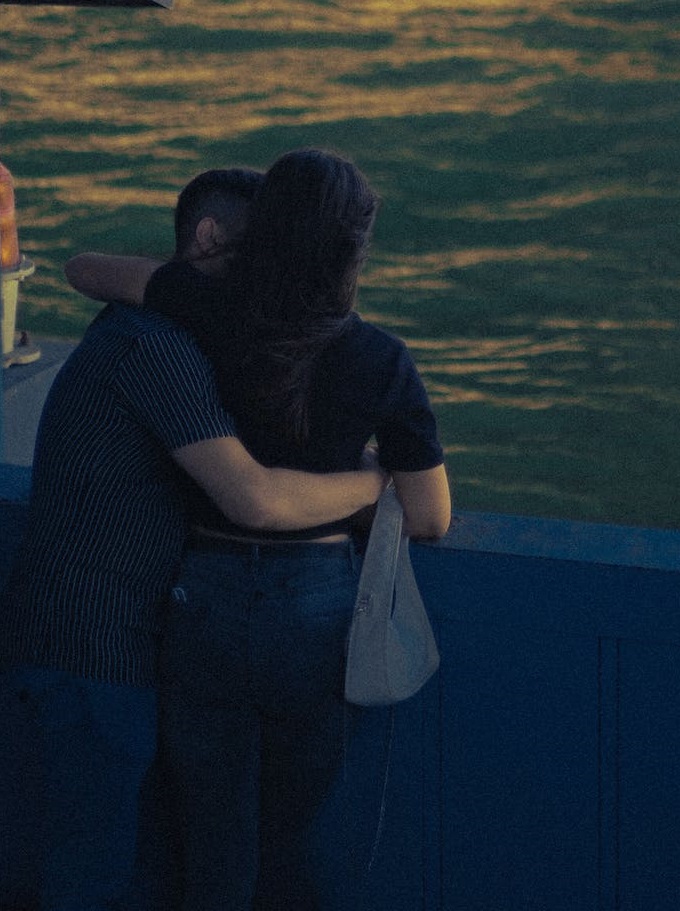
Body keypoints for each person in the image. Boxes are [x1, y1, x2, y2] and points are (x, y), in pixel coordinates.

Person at [69, 148, 451, 908]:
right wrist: (369, 478)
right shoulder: (381, 358)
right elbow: (431, 517)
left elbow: (83, 269)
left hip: (202, 592)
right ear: (353, 250)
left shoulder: (204, 307)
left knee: (208, 832)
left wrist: (202, 269)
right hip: (315, 606)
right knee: (296, 836)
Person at [0, 168, 389, 911]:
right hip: (91, 649)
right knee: (94, 876)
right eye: (260, 253)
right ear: (210, 240)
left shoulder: (154, 328)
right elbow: (254, 498)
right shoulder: (156, 348)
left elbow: (90, 268)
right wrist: (375, 487)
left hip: (92, 642)